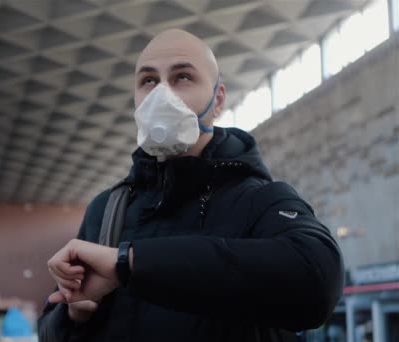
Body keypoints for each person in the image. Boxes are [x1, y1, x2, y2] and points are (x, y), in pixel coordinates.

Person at [38, 29, 344, 341]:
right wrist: (74, 315)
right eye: (149, 81)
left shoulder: (260, 200)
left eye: (182, 77)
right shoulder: (106, 211)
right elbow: (49, 328)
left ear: (218, 100)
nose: (162, 95)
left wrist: (128, 263)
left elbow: (318, 281)